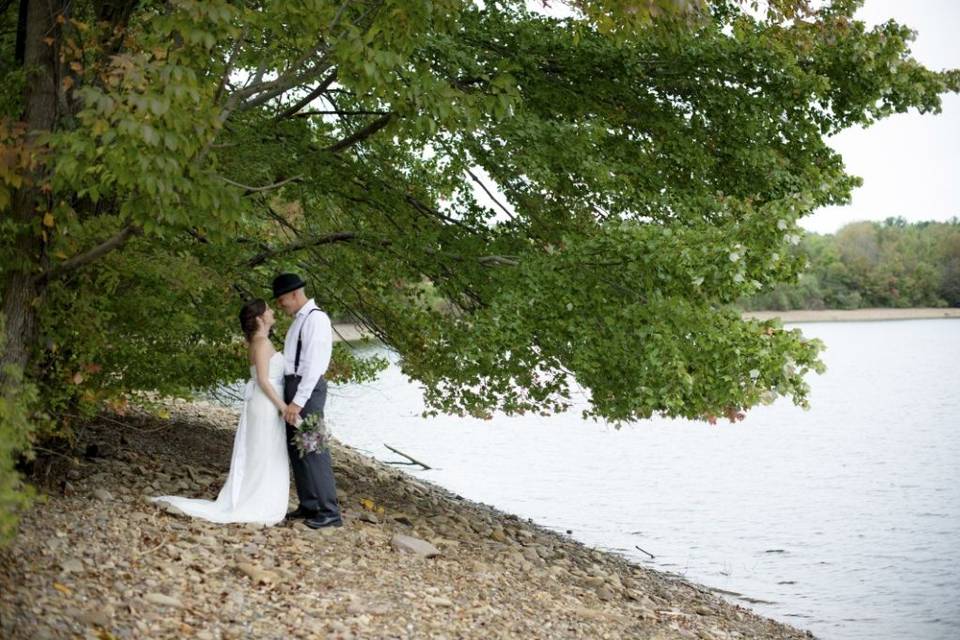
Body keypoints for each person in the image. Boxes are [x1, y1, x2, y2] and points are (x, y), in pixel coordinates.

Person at [149, 299, 290, 525]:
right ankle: (258, 501)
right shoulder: (262, 343)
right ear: (260, 318)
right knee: (264, 453)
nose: (273, 312)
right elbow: (264, 380)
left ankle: (258, 496)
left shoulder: (258, 342)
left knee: (263, 452)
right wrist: (283, 406)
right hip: (266, 403)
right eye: (269, 310)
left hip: (262, 403)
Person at [272, 273, 343, 529]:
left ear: (294, 294)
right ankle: (309, 504)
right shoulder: (298, 320)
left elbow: (314, 366)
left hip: (307, 390)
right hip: (294, 387)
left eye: (282, 299)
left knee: (313, 449)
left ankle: (330, 512)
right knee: (296, 449)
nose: (280, 305)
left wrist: (298, 402)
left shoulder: (317, 319)